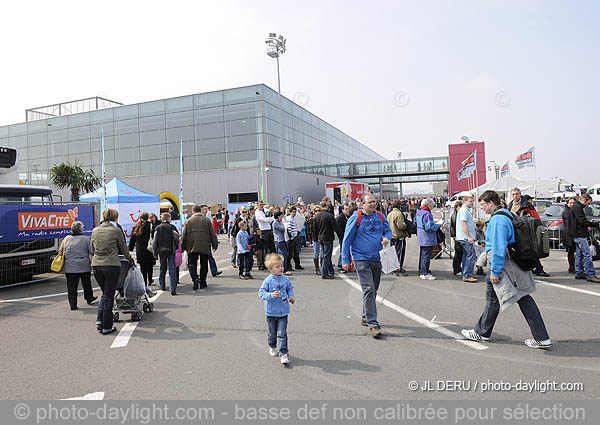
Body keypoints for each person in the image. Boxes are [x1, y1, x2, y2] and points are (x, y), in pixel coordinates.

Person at [462, 190, 552, 349]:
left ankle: (541, 338)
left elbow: (497, 248)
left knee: (520, 298)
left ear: (491, 203)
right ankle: (482, 331)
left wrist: (495, 272)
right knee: (499, 299)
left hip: (504, 265)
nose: (481, 208)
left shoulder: (497, 220)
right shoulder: (507, 215)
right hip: (513, 263)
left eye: (483, 204)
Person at [342, 192, 392, 338]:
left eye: (374, 202)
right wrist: (345, 259)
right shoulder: (356, 218)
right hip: (360, 258)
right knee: (369, 288)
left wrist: (386, 238)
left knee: (373, 289)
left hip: (377, 258)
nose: (372, 204)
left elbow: (388, 230)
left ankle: (365, 315)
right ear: (362, 204)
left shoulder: (380, 216)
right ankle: (373, 323)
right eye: (369, 202)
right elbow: (347, 239)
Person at [91, 208, 134, 335]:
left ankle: (100, 320)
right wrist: (130, 259)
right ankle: (107, 326)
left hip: (97, 265)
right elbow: (123, 248)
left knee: (105, 294)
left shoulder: (95, 230)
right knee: (108, 296)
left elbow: (93, 248)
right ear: (115, 217)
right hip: (111, 265)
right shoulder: (115, 231)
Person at [258, 253, 295, 364]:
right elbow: (261, 293)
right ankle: (272, 345)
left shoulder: (285, 279)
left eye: (282, 266)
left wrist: (291, 296)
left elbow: (290, 288)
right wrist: (270, 295)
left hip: (283, 311)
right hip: (271, 312)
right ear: (270, 269)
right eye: (278, 266)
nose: (281, 268)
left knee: (282, 334)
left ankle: (284, 353)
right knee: (272, 333)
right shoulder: (268, 281)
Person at [508, 188, 549, 277]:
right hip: (516, 231)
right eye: (513, 194)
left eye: (517, 194)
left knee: (532, 250)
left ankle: (539, 269)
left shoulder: (526, 204)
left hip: (527, 231)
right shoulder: (510, 205)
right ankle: (526, 268)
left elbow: (535, 217)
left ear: (520, 194)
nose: (515, 196)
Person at [181, 204, 219, 290]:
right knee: (204, 264)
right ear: (200, 211)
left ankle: (195, 278)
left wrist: (183, 246)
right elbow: (212, 234)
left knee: (192, 264)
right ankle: (203, 282)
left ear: (193, 211)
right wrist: (214, 244)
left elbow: (184, 235)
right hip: (204, 245)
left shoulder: (188, 221)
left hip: (192, 246)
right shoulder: (207, 220)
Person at [62, 221, 97, 310]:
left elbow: (61, 251)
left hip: (69, 266)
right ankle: (89, 297)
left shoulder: (66, 239)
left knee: (71, 286)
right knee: (86, 283)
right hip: (83, 265)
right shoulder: (86, 239)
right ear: (81, 230)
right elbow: (92, 252)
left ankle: (73, 304)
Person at [569, 193, 600, 282]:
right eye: (588, 203)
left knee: (580, 254)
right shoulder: (578, 207)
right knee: (587, 254)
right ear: (584, 200)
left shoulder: (576, 207)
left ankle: (579, 272)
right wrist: (596, 224)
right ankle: (591, 274)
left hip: (576, 234)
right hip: (579, 234)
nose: (588, 205)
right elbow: (582, 221)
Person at [313, 201, 343, 279]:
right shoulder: (329, 216)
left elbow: (314, 228)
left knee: (325, 254)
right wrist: (341, 236)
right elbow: (336, 227)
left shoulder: (317, 216)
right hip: (328, 237)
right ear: (326, 207)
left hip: (320, 237)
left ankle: (331, 271)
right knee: (327, 255)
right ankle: (324, 273)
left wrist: (316, 238)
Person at [153, 212, 179, 295]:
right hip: (171, 250)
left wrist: (155, 252)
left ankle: (162, 285)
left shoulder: (157, 228)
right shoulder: (172, 227)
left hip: (161, 250)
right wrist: (176, 246)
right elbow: (176, 237)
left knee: (162, 268)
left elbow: (154, 241)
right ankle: (173, 288)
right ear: (168, 219)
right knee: (172, 269)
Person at [128, 212, 156, 289]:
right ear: (148, 218)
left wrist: (130, 248)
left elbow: (132, 240)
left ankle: (144, 283)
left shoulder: (136, 227)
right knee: (150, 266)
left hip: (140, 250)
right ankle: (150, 279)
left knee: (143, 267)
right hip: (149, 249)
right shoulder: (150, 226)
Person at [415, 198, 440, 280]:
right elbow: (429, 227)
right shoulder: (427, 214)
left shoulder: (419, 212)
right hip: (427, 238)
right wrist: (438, 225)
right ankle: (425, 273)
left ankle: (423, 271)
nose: (432, 208)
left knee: (423, 255)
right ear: (428, 205)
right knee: (426, 256)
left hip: (421, 236)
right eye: (432, 206)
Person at [456, 195, 478, 283]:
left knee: (467, 256)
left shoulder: (465, 210)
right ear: (465, 202)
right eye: (470, 201)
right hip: (465, 237)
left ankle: (465, 273)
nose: (472, 203)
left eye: (472, 201)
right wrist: (469, 236)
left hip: (464, 237)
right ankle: (467, 275)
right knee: (470, 255)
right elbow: (463, 224)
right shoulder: (464, 211)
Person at [387, 199, 408, 276]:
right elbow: (401, 226)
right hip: (399, 236)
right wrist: (406, 225)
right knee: (399, 253)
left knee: (393, 253)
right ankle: (398, 269)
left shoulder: (389, 214)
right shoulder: (399, 214)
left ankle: (394, 268)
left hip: (392, 236)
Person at [273, 211, 292, 276]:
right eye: (281, 215)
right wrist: (282, 223)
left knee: (280, 256)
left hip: (281, 240)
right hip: (279, 240)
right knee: (284, 255)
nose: (283, 216)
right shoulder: (275, 223)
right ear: (278, 216)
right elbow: (283, 229)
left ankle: (280, 269)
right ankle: (284, 270)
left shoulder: (278, 222)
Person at [285, 207, 303, 271]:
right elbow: (289, 229)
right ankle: (288, 266)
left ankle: (297, 265)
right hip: (291, 238)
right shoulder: (289, 219)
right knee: (290, 253)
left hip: (295, 236)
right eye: (293, 212)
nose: (294, 213)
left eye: (295, 212)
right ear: (290, 212)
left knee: (296, 252)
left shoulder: (293, 218)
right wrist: (291, 237)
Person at [563, 197, 577, 274]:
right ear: (567, 204)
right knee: (571, 251)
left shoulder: (572, 211)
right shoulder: (567, 212)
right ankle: (572, 267)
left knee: (573, 251)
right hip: (569, 234)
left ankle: (572, 267)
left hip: (572, 233)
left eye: (573, 203)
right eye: (570, 203)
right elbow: (570, 223)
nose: (572, 204)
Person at [335, 203, 351, 273]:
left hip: (347, 237)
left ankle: (347, 266)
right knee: (343, 251)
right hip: (343, 238)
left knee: (348, 251)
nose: (348, 210)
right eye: (346, 209)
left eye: (348, 209)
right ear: (342, 210)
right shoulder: (339, 218)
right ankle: (340, 266)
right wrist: (343, 237)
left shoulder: (347, 217)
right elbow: (338, 230)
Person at [450, 201, 464, 276]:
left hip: (457, 236)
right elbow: (455, 227)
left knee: (459, 253)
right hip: (457, 236)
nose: (460, 208)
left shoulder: (457, 214)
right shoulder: (456, 215)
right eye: (459, 206)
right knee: (458, 254)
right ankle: (456, 269)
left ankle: (458, 268)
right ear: (456, 207)